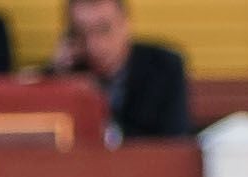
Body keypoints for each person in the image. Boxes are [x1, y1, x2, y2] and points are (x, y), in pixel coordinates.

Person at [47, 0, 191, 139]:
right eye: (81, 33)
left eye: (103, 29)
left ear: (125, 24)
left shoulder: (163, 67)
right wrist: (59, 81)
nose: (92, 45)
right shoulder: (67, 73)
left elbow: (175, 140)